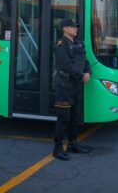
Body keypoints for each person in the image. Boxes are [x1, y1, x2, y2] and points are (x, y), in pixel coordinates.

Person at [51, 18, 91, 161]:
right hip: (64, 85)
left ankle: (73, 143)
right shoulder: (61, 44)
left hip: (76, 85)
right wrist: (81, 75)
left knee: (75, 117)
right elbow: (65, 64)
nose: (76, 29)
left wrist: (88, 72)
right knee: (63, 118)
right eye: (73, 27)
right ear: (65, 29)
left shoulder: (78, 43)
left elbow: (85, 61)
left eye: (76, 27)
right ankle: (57, 149)